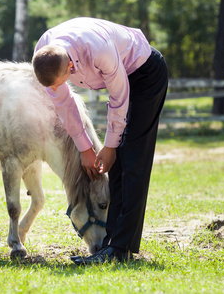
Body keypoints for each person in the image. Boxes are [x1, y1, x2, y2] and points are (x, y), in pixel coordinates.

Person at [32, 17, 168, 264]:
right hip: (122, 77)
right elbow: (64, 104)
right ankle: (112, 244)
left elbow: (118, 99)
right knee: (117, 166)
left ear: (71, 66)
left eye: (66, 80)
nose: (63, 87)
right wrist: (85, 148)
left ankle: (120, 249)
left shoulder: (99, 49)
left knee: (132, 160)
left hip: (144, 74)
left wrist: (110, 146)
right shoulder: (45, 52)